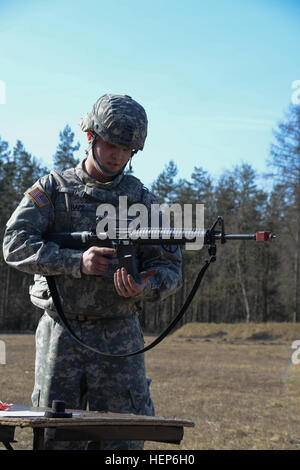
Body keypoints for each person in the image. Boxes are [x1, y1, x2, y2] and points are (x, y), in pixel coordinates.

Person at [2, 94, 182, 450]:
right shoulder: (52, 190)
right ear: (91, 137)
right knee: (54, 436)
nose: (118, 155)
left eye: (127, 149)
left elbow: (170, 268)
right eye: (112, 144)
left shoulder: (143, 202)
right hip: (60, 332)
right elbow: (14, 243)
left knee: (124, 437)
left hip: (119, 336)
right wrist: (75, 262)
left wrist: (144, 285)